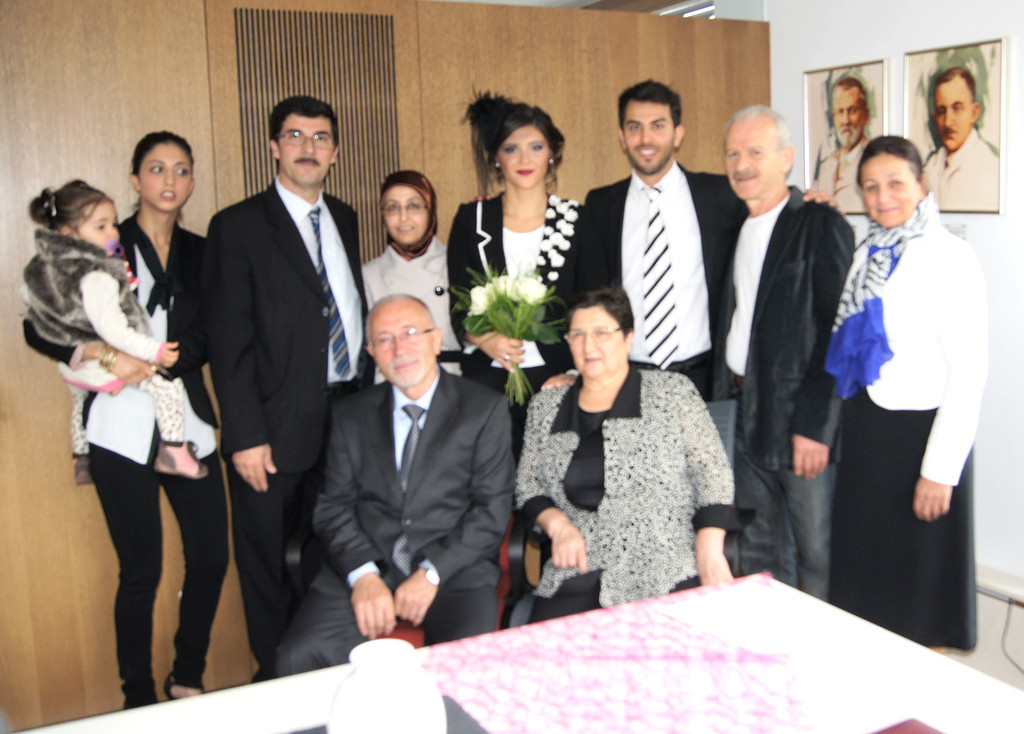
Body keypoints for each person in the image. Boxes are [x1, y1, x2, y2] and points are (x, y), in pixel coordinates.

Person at [22, 132, 228, 707]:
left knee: (212, 557)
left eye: (181, 169)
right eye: (156, 168)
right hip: (118, 420)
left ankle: (187, 674)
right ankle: (136, 697)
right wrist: (106, 356)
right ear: (135, 179)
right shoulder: (99, 239)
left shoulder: (203, 250)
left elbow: (215, 327)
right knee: (140, 570)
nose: (170, 180)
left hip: (185, 414)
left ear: (192, 182)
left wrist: (167, 360)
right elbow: (37, 324)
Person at [202, 95, 369, 680]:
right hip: (270, 434)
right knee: (268, 565)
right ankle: (276, 682)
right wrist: (245, 435)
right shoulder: (237, 227)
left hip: (344, 422)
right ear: (274, 147)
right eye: (295, 136)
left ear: (336, 152)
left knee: (334, 553)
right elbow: (228, 342)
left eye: (320, 138)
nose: (308, 148)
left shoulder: (344, 217)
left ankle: (324, 670)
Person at [276, 295, 514, 674]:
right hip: (368, 564)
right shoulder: (349, 415)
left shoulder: (484, 409)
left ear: (436, 340)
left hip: (454, 571)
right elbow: (333, 507)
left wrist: (431, 572)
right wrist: (364, 575)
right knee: (299, 656)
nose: (399, 349)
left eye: (410, 333)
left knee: (464, 670)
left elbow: (491, 511)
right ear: (372, 353)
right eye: (384, 340)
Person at [826, 136, 987, 649]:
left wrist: (940, 471)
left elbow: (969, 372)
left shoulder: (950, 255)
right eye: (870, 186)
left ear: (922, 183)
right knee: (865, 586)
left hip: (920, 439)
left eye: (895, 183)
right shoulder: (868, 250)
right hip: (867, 434)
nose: (882, 197)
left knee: (919, 594)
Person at [515, 286, 737, 623]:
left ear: (628, 337)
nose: (589, 345)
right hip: (577, 568)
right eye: (578, 334)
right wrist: (557, 526)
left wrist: (709, 548)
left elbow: (713, 473)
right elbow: (527, 484)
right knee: (553, 653)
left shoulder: (672, 392)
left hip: (666, 566)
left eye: (602, 332)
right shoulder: (546, 407)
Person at [713, 106, 854, 601]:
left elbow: (838, 333)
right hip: (742, 412)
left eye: (755, 152)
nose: (742, 164)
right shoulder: (734, 223)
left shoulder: (819, 224)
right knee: (757, 548)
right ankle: (770, 641)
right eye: (733, 153)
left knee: (815, 553)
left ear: (787, 158)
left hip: (799, 421)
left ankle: (820, 647)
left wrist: (816, 426)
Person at [22, 181, 208, 484]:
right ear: (69, 233)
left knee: (79, 402)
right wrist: (146, 352)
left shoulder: (46, 267)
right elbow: (109, 329)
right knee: (166, 389)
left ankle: (81, 458)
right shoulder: (98, 273)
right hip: (105, 369)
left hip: (77, 372)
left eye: (113, 224)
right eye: (101, 226)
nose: (112, 232)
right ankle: (174, 451)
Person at [576, 80, 749, 401]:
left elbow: (771, 212)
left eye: (658, 126)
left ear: (677, 134)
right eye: (635, 127)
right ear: (622, 137)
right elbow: (591, 293)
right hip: (628, 380)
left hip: (703, 379)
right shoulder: (601, 205)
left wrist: (805, 201)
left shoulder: (721, 196)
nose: (646, 139)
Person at [447, 92, 581, 455]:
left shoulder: (576, 220)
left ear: (552, 152)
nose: (524, 159)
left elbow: (593, 306)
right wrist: (484, 338)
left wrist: (577, 374)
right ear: (496, 158)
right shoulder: (471, 219)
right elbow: (458, 302)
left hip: (559, 379)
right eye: (511, 149)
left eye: (536, 147)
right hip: (488, 379)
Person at [363, 170, 461, 376]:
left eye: (413, 206)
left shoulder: (456, 263)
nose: (403, 217)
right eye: (392, 208)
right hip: (391, 382)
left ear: (430, 211)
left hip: (452, 380)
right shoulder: (368, 275)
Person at [922, 67, 1000, 211]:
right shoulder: (930, 167)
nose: (948, 122)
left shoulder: (991, 169)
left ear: (974, 113)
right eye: (941, 111)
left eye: (957, 108)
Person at [812, 76, 870, 213]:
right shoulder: (826, 166)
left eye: (852, 110)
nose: (845, 120)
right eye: (840, 111)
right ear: (833, 117)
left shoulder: (872, 161)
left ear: (865, 115)